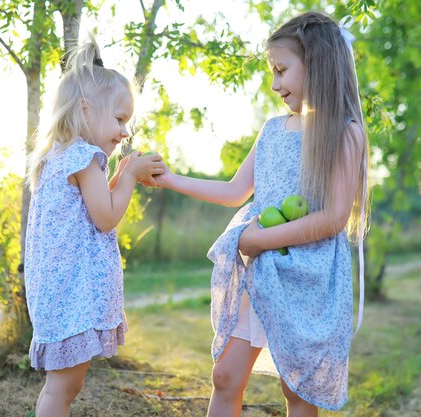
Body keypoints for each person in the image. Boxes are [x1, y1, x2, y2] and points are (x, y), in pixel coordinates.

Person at [153, 11, 370, 417]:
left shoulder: (344, 132)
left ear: (317, 64)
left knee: (297, 390)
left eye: (282, 70)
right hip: (260, 274)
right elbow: (235, 191)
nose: (275, 84)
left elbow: (333, 218)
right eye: (273, 71)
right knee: (226, 377)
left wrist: (255, 240)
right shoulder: (272, 131)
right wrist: (171, 179)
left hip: (308, 279)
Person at [23, 36, 163, 417]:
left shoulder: (61, 156)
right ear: (85, 109)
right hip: (71, 294)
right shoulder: (85, 159)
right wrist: (131, 175)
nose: (124, 132)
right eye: (120, 119)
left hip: (60, 291)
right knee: (62, 387)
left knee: (66, 384)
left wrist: (118, 174)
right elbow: (105, 218)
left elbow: (93, 208)